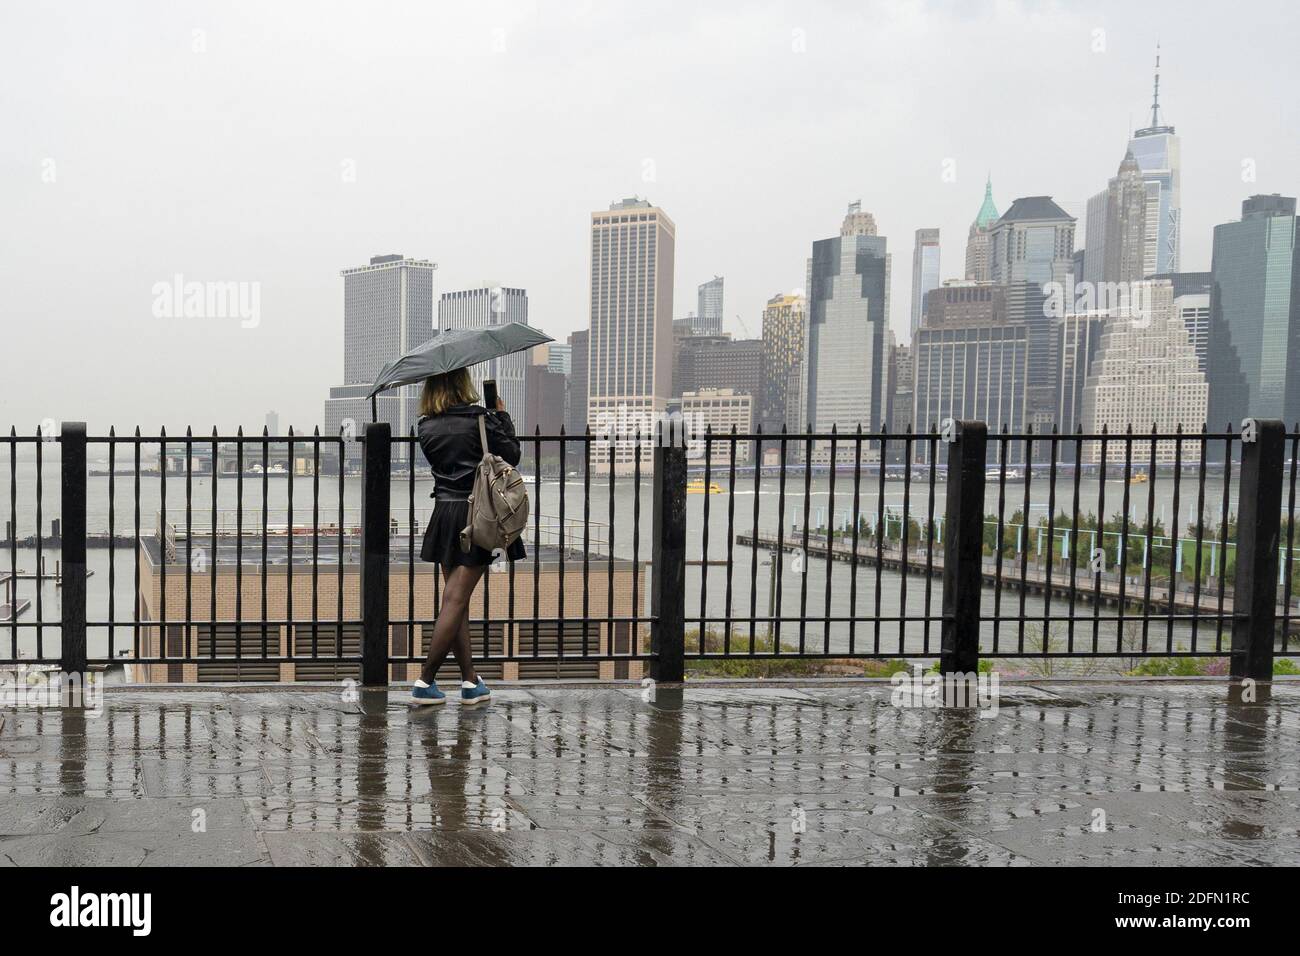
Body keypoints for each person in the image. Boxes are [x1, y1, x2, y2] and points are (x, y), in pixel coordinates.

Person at [410, 368, 524, 705]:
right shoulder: (481, 419)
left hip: (444, 513)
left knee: (455, 601)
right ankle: (424, 681)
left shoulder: (425, 426)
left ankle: (470, 681)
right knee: (456, 600)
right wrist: (500, 414)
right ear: (464, 383)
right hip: (478, 514)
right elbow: (512, 456)